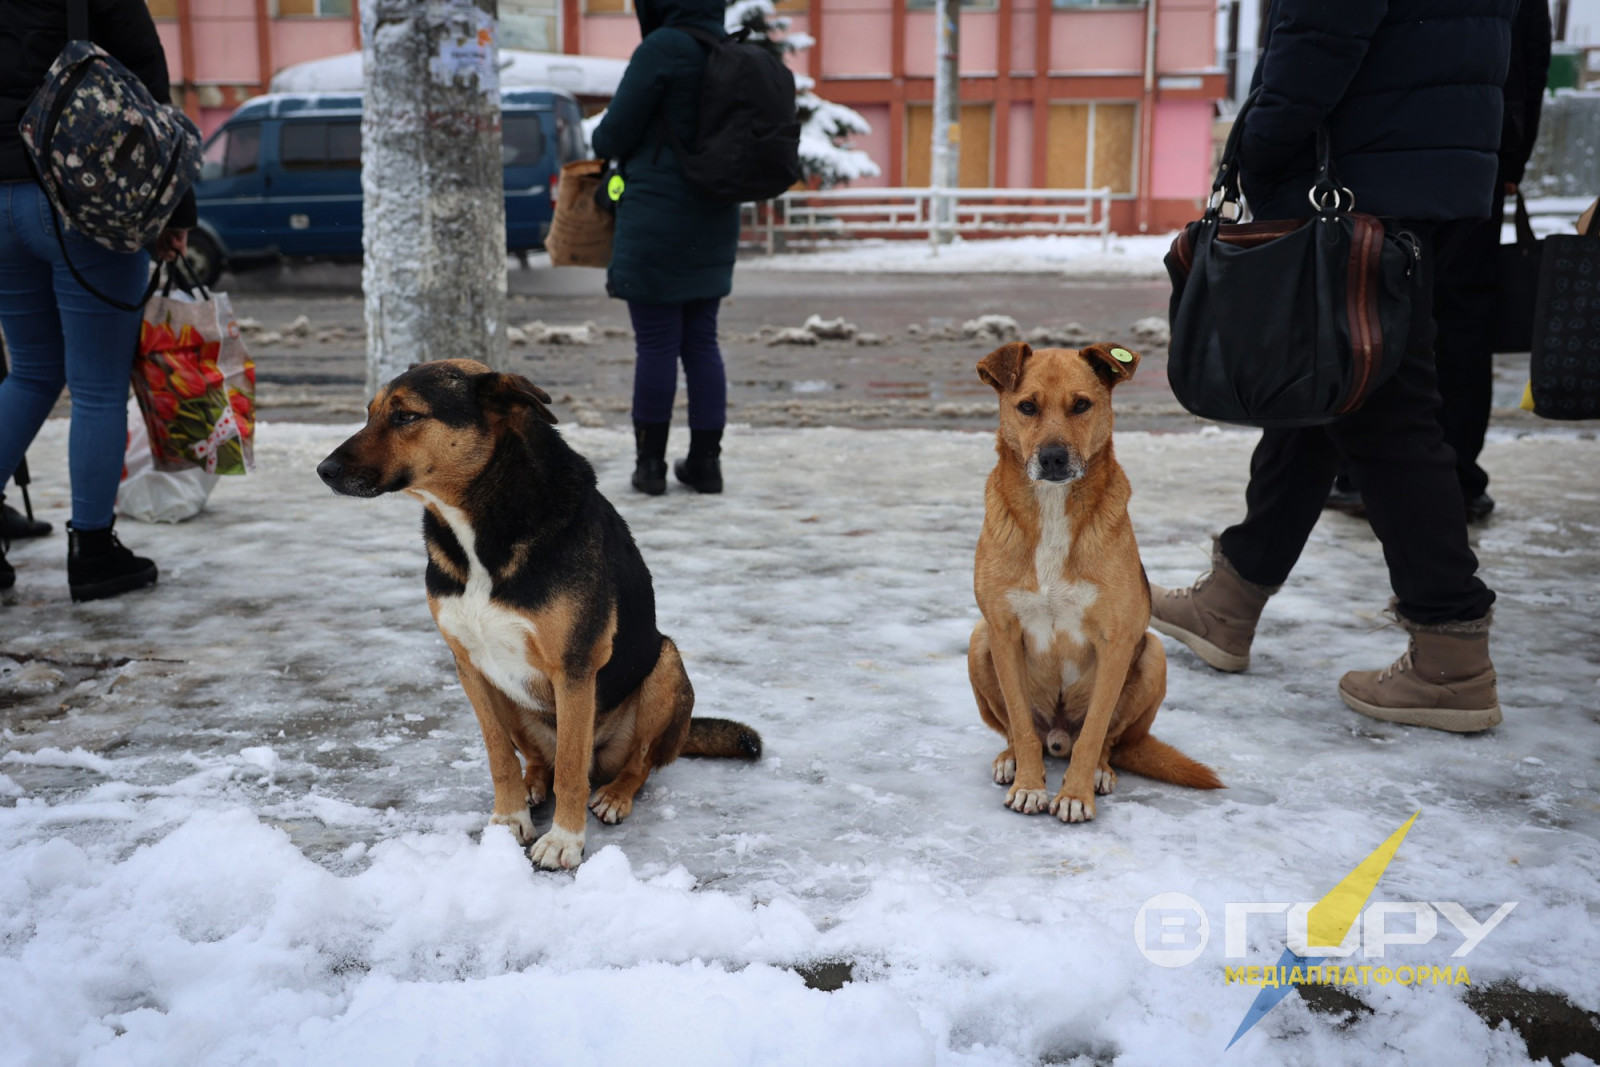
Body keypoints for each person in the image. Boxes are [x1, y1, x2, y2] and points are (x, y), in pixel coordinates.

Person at [1151, 0, 1513, 734]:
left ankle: (1452, 653)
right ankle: (1233, 596)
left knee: (1386, 417)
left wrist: (1262, 143)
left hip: (1361, 168)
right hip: (1419, 160)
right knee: (1322, 385)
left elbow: (1321, 27)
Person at [1324, 0, 1552, 524]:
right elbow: (1532, 54)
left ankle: (1367, 476)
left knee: (1375, 319)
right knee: (1461, 326)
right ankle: (1457, 477)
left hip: (1391, 155)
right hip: (1479, 158)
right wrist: (1511, 157)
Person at [0, 0, 192, 600]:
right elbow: (148, 93)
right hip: (81, 199)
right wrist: (174, 213)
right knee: (98, 387)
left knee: (30, 372)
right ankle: (93, 549)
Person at [591, 0, 740, 497]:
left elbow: (611, 134)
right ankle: (707, 464)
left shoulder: (663, 48)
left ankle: (650, 466)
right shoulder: (729, 52)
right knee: (701, 342)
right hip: (715, 215)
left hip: (657, 216)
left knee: (656, 343)